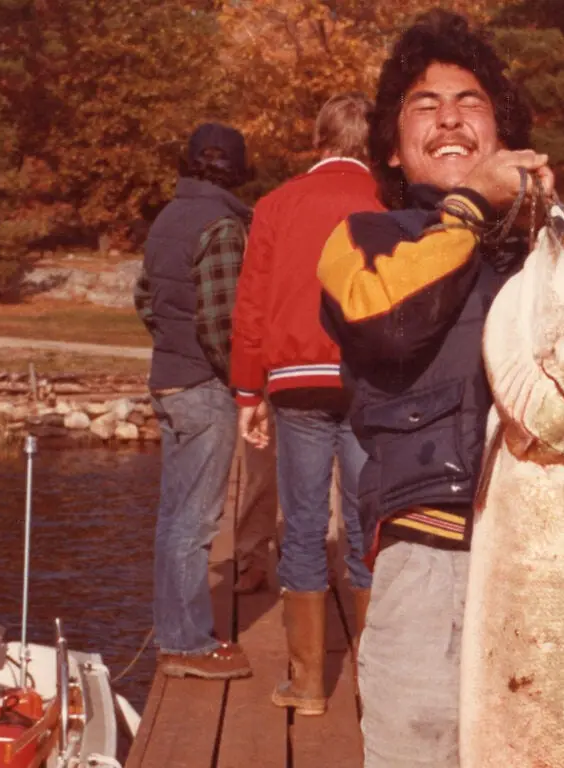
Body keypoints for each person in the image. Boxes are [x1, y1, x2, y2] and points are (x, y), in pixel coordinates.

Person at [316, 11, 564, 766]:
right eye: (425, 105)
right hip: (430, 567)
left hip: (557, 561)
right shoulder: (365, 239)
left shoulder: (548, 262)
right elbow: (384, 321)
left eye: (472, 104)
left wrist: (561, 221)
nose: (450, 115)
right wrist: (466, 210)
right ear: (392, 146)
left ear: (505, 136)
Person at [229, 93, 383, 715]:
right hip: (368, 377)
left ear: (318, 140)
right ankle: (376, 681)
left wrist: (248, 391)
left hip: (295, 379)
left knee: (303, 524)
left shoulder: (275, 205)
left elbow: (252, 306)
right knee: (366, 525)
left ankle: (307, 683)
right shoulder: (388, 203)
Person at [134, 122, 253, 680]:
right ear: (235, 172)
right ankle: (188, 646)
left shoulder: (167, 217)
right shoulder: (224, 226)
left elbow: (145, 296)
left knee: (171, 520)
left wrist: (170, 343)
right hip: (205, 388)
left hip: (167, 380)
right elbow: (222, 324)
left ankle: (174, 635)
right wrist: (247, 387)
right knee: (196, 524)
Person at [231, 417, 280, 596]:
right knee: (260, 477)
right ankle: (252, 561)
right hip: (261, 395)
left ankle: (321, 559)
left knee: (319, 477)